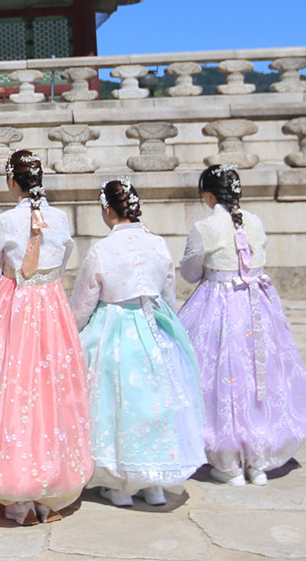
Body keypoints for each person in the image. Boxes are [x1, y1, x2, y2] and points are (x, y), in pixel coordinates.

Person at [0, 150, 91, 525]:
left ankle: (16, 493)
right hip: (51, 306)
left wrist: (0, 305)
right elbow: (62, 263)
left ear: (12, 181)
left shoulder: (3, 220)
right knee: (52, 391)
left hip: (14, 303)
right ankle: (50, 488)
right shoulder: (60, 218)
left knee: (10, 390)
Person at [178, 165, 306, 485]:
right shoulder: (254, 221)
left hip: (218, 302)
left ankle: (228, 462)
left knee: (220, 376)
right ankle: (258, 460)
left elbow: (189, 271)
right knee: (259, 377)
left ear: (209, 194)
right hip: (256, 305)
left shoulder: (205, 226)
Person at [70, 179, 207, 507]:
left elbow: (83, 303)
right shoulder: (158, 244)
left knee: (116, 405)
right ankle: (154, 483)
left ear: (107, 209)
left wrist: (72, 333)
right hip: (152, 325)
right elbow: (169, 293)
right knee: (154, 404)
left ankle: (119, 485)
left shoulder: (102, 250)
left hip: (113, 328)